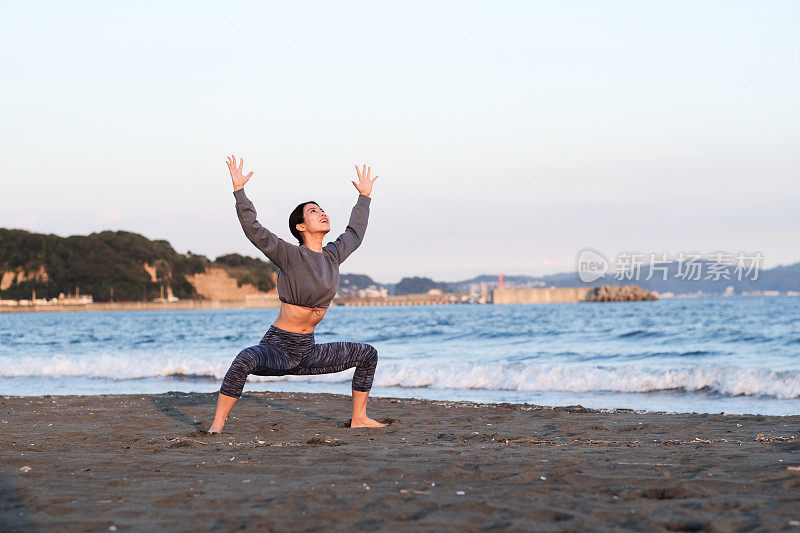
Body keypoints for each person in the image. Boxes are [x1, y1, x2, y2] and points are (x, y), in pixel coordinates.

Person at [208, 155, 385, 433]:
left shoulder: (333, 256)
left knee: (367, 354)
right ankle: (217, 425)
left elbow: (354, 233)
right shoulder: (290, 255)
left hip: (308, 351)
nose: (322, 213)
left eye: (322, 210)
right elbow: (255, 231)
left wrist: (364, 197)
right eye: (313, 211)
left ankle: (359, 418)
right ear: (301, 226)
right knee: (244, 359)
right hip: (278, 347)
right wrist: (239, 192)